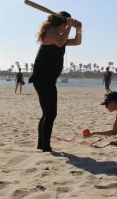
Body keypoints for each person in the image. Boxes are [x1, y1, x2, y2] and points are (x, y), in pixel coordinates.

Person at [28, 11, 82, 152]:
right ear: (62, 23)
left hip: (49, 80)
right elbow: (59, 42)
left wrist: (79, 29)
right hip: (42, 79)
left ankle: (42, 145)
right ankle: (45, 147)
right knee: (50, 114)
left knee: (48, 113)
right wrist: (70, 26)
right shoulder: (50, 32)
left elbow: (76, 42)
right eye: (65, 24)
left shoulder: (60, 36)